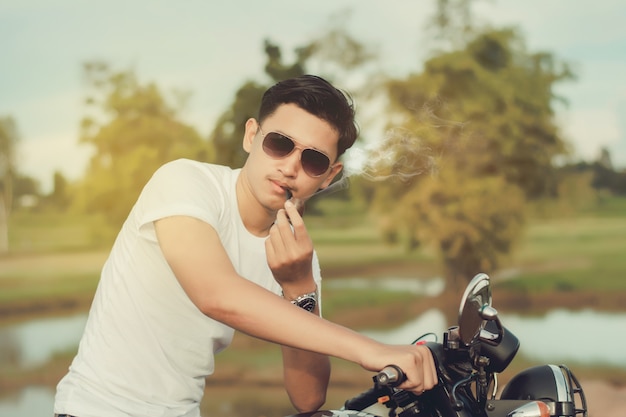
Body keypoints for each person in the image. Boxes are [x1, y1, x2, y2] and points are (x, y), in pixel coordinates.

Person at [54, 75, 437, 417]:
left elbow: (307, 399)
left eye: (314, 160)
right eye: (280, 143)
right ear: (251, 136)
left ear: (328, 176)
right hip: (94, 409)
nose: (290, 167)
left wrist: (300, 286)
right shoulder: (185, 182)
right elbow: (216, 293)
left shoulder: (295, 253)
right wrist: (372, 349)